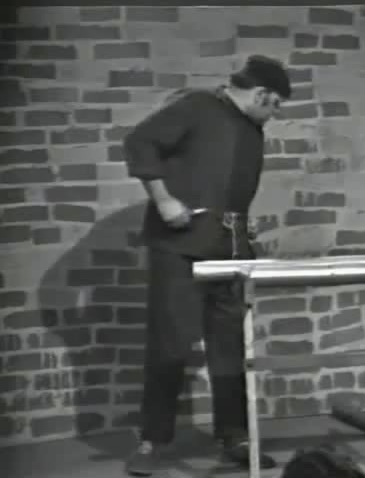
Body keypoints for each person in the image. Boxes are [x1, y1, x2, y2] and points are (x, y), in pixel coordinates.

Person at [122, 55, 291, 476]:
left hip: (230, 249)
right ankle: (151, 441)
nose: (274, 115)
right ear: (262, 94)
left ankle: (234, 436)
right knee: (170, 344)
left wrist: (240, 228)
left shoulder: (249, 128)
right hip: (179, 247)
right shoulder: (197, 107)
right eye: (275, 105)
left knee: (231, 347)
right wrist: (164, 201)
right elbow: (140, 142)